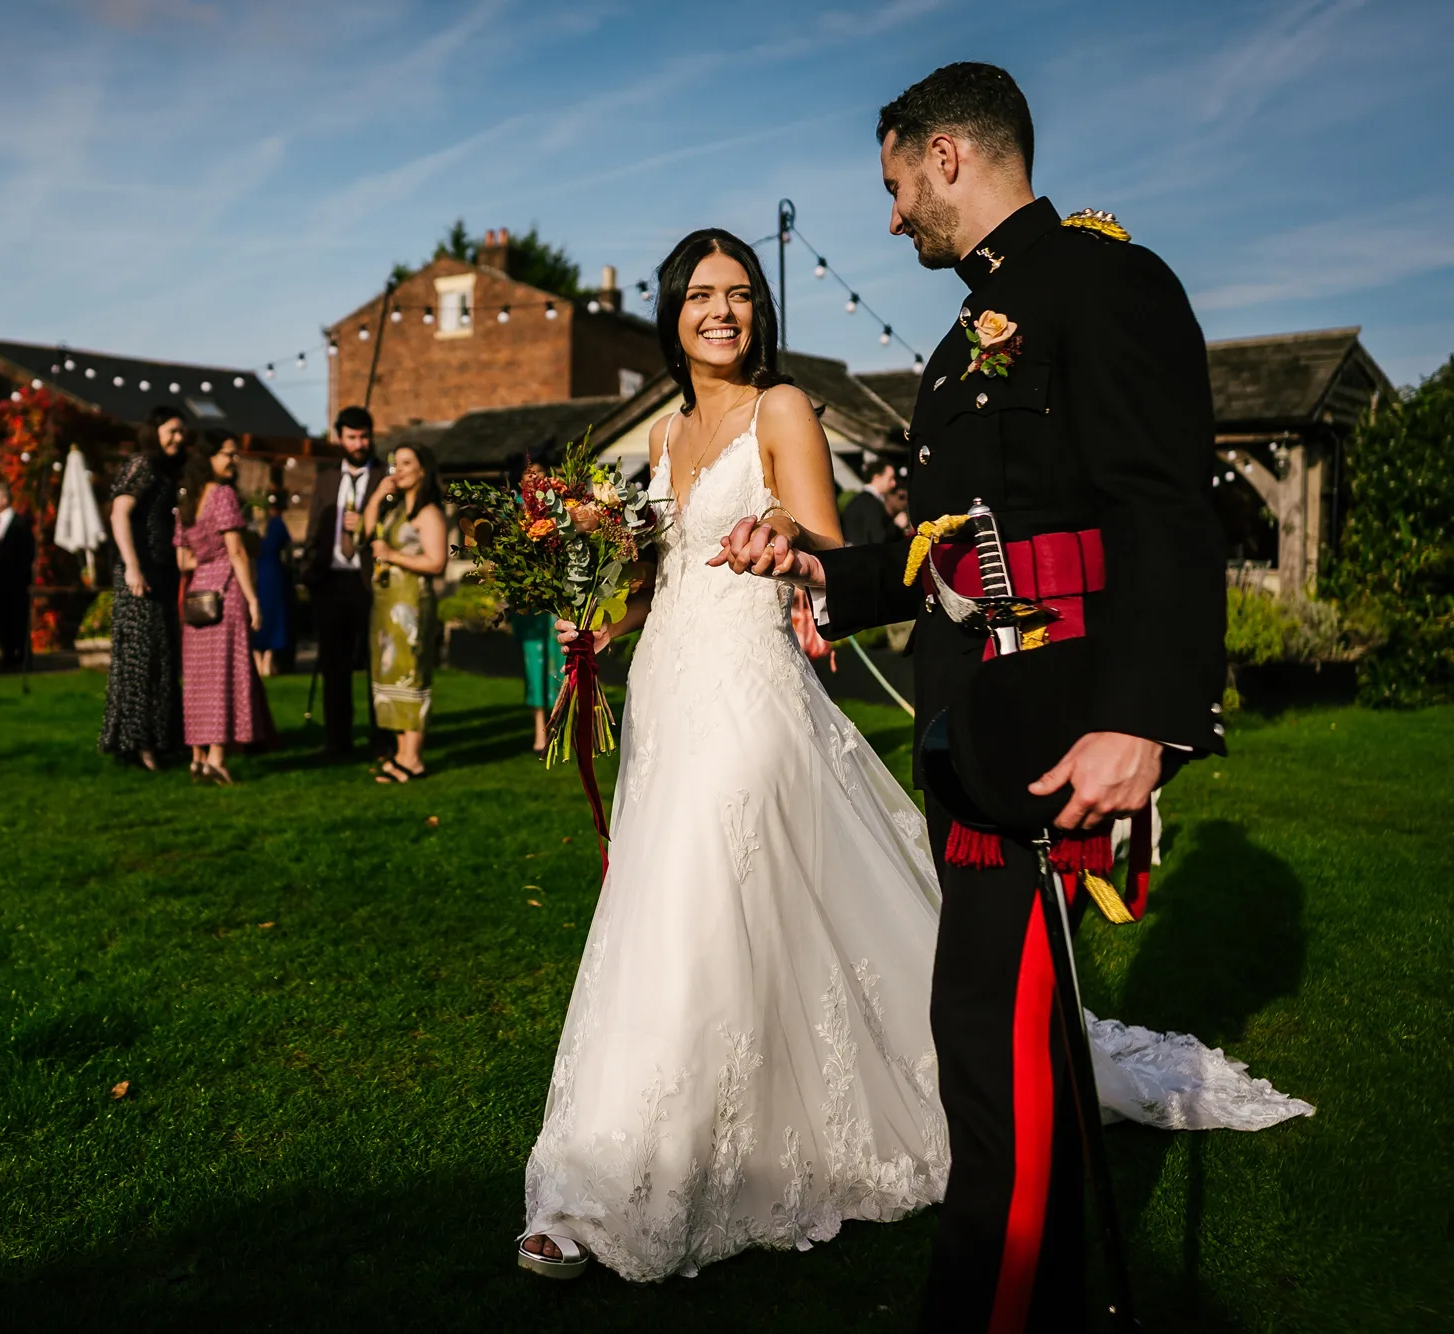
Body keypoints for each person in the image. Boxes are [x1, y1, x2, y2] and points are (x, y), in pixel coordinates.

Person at [519, 213, 1302, 1294]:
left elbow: (834, 552)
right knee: (665, 900)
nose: (722, 310)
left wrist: (786, 549)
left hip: (748, 686)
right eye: (701, 293)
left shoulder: (779, 408)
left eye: (740, 291)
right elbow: (666, 575)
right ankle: (683, 1135)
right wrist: (596, 614)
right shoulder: (659, 436)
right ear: (669, 313)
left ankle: (621, 1177)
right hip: (667, 683)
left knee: (702, 886)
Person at [715, 64, 1252, 1329]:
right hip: (976, 746)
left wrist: (1148, 720)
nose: (893, 215)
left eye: (896, 185)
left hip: (1062, 742)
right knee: (997, 1048)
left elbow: (1165, 513)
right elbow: (956, 552)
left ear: (946, 154)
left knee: (994, 1056)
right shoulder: (966, 338)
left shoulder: (1105, 283)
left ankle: (989, 1306)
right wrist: (819, 567)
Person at [175, 431, 271, 784]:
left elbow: (183, 559)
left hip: (196, 594)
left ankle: (197, 757)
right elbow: (237, 551)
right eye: (227, 454)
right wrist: (253, 599)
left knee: (198, 679)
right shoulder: (223, 495)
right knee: (224, 676)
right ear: (209, 457)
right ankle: (216, 757)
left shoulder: (187, 500)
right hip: (225, 591)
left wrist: (204, 560)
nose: (234, 460)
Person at [99, 408, 186, 768]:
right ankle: (139, 743)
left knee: (161, 657)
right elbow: (119, 513)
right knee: (141, 660)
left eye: (182, 432)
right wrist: (133, 565)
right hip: (141, 574)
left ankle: (157, 739)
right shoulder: (142, 465)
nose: (178, 438)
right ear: (155, 431)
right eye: (172, 431)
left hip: (162, 573)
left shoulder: (166, 470)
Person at [300, 407, 385, 759]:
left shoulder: (384, 476)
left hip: (370, 581)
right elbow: (313, 528)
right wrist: (309, 571)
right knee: (333, 666)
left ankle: (383, 740)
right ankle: (338, 740)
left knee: (377, 664)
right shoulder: (325, 478)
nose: (359, 443)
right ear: (339, 438)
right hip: (331, 580)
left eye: (364, 436)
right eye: (352, 437)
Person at [363, 445, 447, 783]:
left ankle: (412, 758)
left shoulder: (428, 514)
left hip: (412, 605)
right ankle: (400, 752)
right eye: (395, 463)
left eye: (406, 463)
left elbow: (436, 562)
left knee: (410, 675)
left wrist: (393, 555)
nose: (398, 469)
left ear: (423, 470)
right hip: (386, 605)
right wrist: (376, 496)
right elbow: (366, 534)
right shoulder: (395, 510)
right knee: (389, 676)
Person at [0, 483, 35, 671]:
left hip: (16, 579)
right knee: (3, 617)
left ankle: (21, 655)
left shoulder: (19, 523)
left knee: (18, 617)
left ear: (5, 499)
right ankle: (7, 653)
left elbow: (27, 551)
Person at [250, 492, 294, 678]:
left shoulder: (250, 527)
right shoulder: (276, 524)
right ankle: (267, 662)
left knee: (259, 617)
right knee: (273, 617)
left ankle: (260, 662)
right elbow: (288, 549)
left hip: (256, 575)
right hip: (273, 574)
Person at [511, 611, 565, 752]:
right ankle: (540, 730)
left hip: (558, 613)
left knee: (565, 666)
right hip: (531, 615)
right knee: (535, 669)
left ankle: (569, 726)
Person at [842, 458, 904, 546]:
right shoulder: (871, 504)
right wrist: (896, 526)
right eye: (890, 478)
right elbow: (879, 540)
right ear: (876, 478)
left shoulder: (859, 501)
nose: (894, 483)